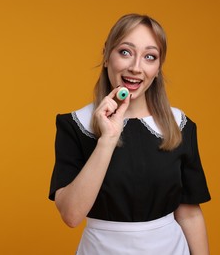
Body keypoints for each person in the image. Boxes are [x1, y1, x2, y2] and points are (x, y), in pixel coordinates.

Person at [48, 13, 211, 254]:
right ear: (106, 55)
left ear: (158, 67)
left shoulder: (180, 125)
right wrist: (108, 139)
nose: (136, 67)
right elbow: (72, 215)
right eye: (125, 52)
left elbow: (189, 214)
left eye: (149, 56)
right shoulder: (74, 125)